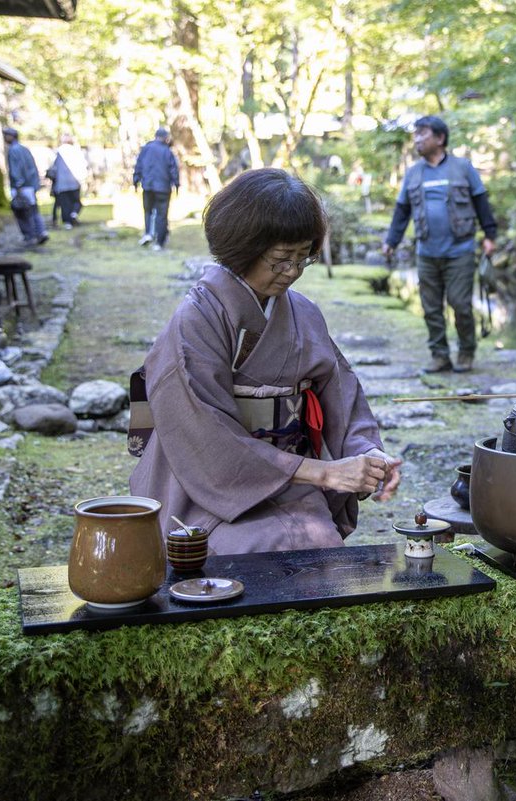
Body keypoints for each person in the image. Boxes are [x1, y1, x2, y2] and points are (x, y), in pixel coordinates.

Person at [130, 168, 402, 554]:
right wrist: (323, 472)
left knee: (316, 542)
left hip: (292, 485)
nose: (291, 272)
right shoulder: (197, 319)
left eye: (301, 258)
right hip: (205, 490)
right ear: (244, 248)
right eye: (280, 259)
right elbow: (206, 436)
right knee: (267, 550)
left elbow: (341, 393)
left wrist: (367, 454)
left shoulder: (303, 313)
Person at [381, 116, 497, 374]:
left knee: (460, 304)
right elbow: (402, 211)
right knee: (431, 308)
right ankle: (439, 355)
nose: (417, 139)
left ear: (440, 138)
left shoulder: (462, 167)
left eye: (423, 133)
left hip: (460, 251)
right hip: (427, 252)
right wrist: (391, 241)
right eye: (416, 134)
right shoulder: (413, 173)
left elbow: (481, 203)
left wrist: (490, 236)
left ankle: (466, 351)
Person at [132, 127, 180, 251]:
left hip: (148, 186)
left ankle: (148, 233)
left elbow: (138, 165)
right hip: (163, 188)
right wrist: (176, 184)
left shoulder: (146, 149)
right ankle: (159, 242)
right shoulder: (167, 151)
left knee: (148, 211)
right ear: (165, 137)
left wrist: (135, 181)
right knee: (161, 215)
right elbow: (173, 169)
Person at [3, 127, 48, 246]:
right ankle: (41, 232)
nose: (4, 137)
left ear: (11, 136)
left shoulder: (13, 150)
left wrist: (18, 186)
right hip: (30, 186)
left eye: (6, 135)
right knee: (33, 210)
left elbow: (15, 170)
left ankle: (30, 236)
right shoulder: (25, 149)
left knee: (22, 212)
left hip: (21, 187)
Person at [48, 133, 87, 229]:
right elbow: (83, 166)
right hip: (74, 182)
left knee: (65, 204)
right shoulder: (76, 151)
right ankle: (73, 215)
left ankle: (68, 222)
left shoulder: (58, 151)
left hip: (62, 184)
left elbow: (53, 168)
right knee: (76, 202)